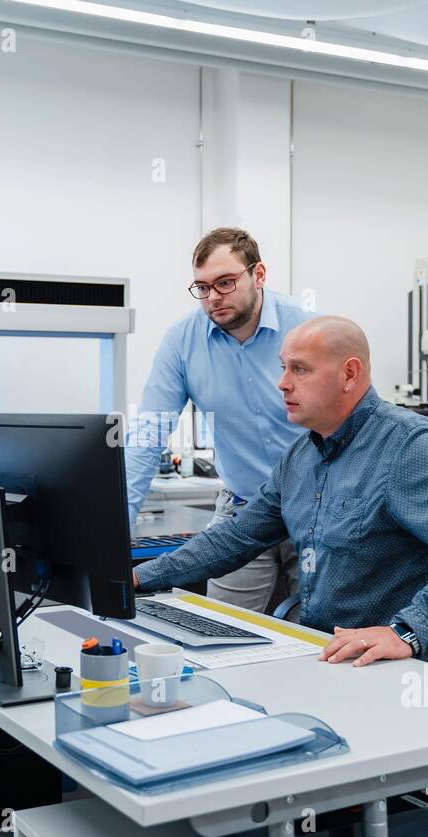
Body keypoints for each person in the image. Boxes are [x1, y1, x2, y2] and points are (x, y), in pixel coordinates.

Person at [132, 315, 428, 665]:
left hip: (402, 664)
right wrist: (141, 577)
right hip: (328, 653)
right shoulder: (301, 456)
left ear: (349, 374)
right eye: (284, 368)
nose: (282, 384)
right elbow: (237, 536)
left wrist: (409, 631)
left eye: (299, 370)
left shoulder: (407, 445)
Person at [125, 226, 315, 613]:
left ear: (258, 275)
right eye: (202, 287)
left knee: (322, 630)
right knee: (220, 626)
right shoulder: (182, 340)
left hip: (315, 509)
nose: (212, 298)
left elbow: (357, 424)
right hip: (244, 510)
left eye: (225, 283)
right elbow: (149, 433)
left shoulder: (307, 329)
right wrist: (115, 528)